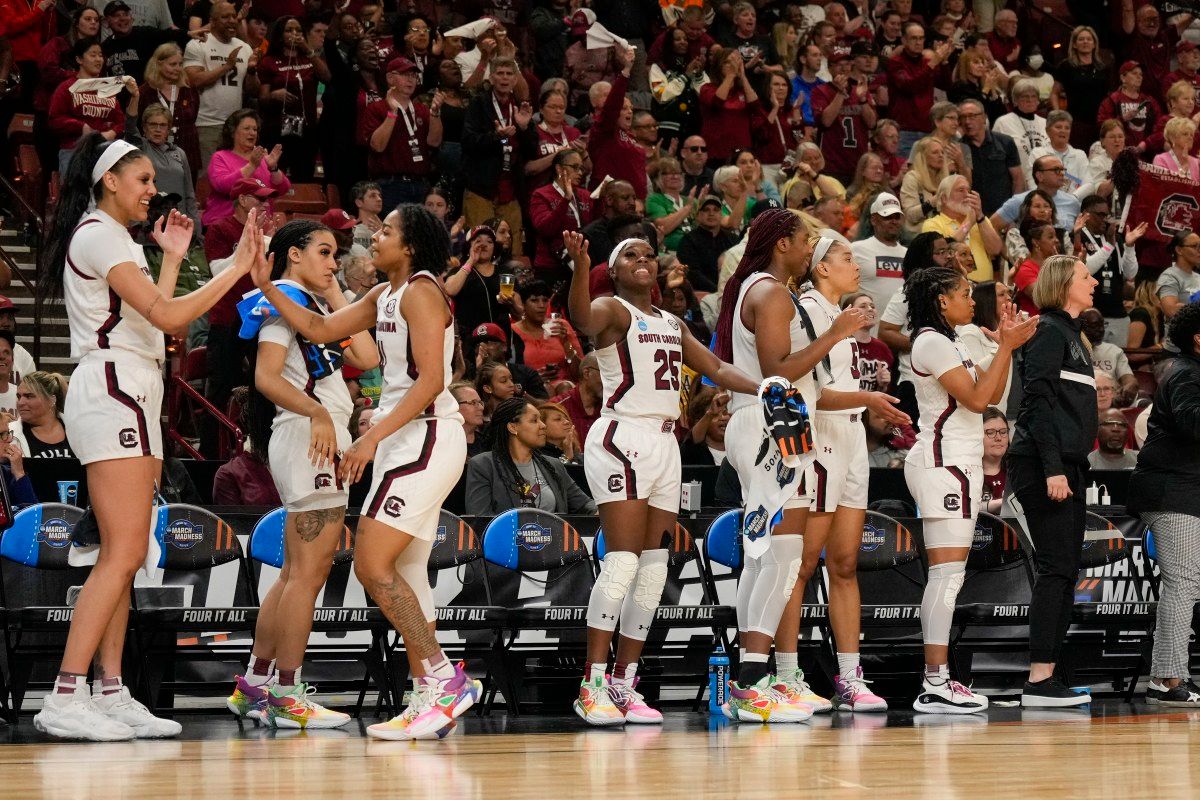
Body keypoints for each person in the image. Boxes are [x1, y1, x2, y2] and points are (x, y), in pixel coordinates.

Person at [33, 134, 264, 741]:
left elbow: (153, 316)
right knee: (122, 552)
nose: (150, 195)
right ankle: (65, 692)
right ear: (110, 180)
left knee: (126, 553)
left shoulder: (116, 239)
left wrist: (168, 256)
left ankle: (110, 690)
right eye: (141, 183)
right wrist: (236, 268)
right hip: (111, 388)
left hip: (129, 386)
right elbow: (167, 317)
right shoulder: (99, 234)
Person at [249, 203, 482, 741]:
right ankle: (428, 691)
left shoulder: (423, 291)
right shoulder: (385, 294)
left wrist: (369, 437)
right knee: (409, 571)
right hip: (402, 438)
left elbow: (430, 382)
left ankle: (445, 682)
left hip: (423, 435)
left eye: (387, 231)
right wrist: (268, 286)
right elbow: (319, 326)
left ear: (412, 246)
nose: (374, 236)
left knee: (373, 566)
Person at [564, 230, 763, 726]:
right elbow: (581, 317)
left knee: (654, 569)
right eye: (630, 254)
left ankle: (625, 681)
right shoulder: (610, 307)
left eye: (649, 254)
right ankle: (591, 683)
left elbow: (716, 366)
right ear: (612, 270)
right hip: (622, 436)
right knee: (623, 563)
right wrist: (578, 265)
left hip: (664, 441)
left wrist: (765, 386)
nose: (643, 260)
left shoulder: (671, 321)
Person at [226, 221, 379, 728]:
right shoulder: (282, 301)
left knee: (294, 574)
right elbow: (266, 378)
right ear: (293, 255)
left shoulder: (310, 302)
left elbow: (366, 356)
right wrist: (316, 413)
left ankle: (255, 684)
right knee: (309, 576)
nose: (334, 263)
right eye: (324, 253)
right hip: (309, 434)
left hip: (311, 433)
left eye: (336, 255)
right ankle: (288, 693)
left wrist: (334, 290)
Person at [789, 235, 913, 713]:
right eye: (844, 257)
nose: (854, 264)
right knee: (801, 566)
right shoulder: (806, 311)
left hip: (853, 440)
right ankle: (786, 674)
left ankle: (848, 675)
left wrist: (869, 403)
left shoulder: (849, 319)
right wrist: (869, 399)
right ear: (821, 268)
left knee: (843, 564)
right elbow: (813, 394)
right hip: (818, 438)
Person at [903, 265, 1034, 714]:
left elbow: (991, 393)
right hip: (943, 464)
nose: (972, 300)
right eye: (963, 293)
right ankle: (935, 681)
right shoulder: (932, 341)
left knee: (950, 575)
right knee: (947, 574)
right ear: (942, 299)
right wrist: (1007, 347)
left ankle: (938, 679)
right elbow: (977, 400)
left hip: (958, 463)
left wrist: (1004, 349)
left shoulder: (951, 341)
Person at [1007, 254, 1099, 708]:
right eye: (1086, 276)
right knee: (1055, 569)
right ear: (1065, 284)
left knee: (1065, 571)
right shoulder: (1048, 330)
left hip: (1068, 465)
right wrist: (1052, 468)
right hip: (1046, 465)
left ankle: (1048, 675)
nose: (1095, 281)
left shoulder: (1072, 333)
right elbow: (1035, 406)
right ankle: (1039, 679)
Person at [1126, 301, 1200, 706]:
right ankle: (1168, 679)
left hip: (1185, 489)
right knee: (1184, 581)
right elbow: (1193, 424)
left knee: (1189, 582)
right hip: (1173, 490)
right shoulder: (1185, 374)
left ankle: (1169, 674)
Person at [464, 396, 596, 515]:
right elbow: (480, 516)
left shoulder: (553, 465)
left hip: (553, 538)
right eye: (534, 420)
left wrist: (606, 510)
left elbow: (584, 504)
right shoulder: (483, 465)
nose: (543, 425)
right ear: (513, 427)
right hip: (506, 540)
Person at [461, 56, 536, 257]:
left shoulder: (521, 106)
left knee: (514, 252)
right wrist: (497, 137)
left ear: (514, 79)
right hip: (481, 189)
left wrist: (524, 128)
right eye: (500, 73)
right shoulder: (479, 104)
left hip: (511, 190)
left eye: (509, 74)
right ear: (491, 77)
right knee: (480, 249)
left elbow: (532, 150)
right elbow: (468, 142)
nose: (504, 78)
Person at [359, 56, 443, 210]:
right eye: (405, 75)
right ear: (390, 78)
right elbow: (377, 146)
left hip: (420, 183)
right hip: (390, 184)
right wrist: (392, 113)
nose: (410, 80)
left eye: (413, 75)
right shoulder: (376, 108)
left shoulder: (422, 109)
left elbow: (434, 142)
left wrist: (435, 114)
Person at [256, 16, 329, 182]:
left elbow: (326, 77)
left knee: (304, 177)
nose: (294, 34)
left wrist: (307, 48)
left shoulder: (309, 58)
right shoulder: (269, 61)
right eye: (289, 30)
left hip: (307, 129)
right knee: (275, 176)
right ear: (280, 35)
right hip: (277, 129)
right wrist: (275, 95)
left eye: (298, 30)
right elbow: (262, 98)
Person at [183, 1, 257, 164]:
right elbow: (193, 80)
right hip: (206, 123)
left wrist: (252, 70)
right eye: (225, 17)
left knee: (235, 178)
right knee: (207, 180)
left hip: (236, 126)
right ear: (213, 20)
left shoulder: (244, 48)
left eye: (233, 16)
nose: (232, 20)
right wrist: (227, 66)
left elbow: (253, 90)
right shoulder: (198, 44)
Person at [48, 39, 133, 175]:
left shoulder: (107, 90)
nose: (98, 59)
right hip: (74, 151)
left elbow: (121, 122)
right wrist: (80, 126)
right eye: (93, 55)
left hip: (104, 151)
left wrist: (111, 133)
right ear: (79, 59)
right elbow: (54, 120)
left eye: (100, 55)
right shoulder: (66, 88)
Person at [201, 109, 290, 226]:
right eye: (246, 128)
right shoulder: (220, 157)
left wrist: (273, 168)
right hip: (225, 226)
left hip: (260, 227)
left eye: (255, 129)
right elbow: (223, 186)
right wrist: (252, 166)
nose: (252, 133)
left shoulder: (261, 158)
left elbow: (283, 189)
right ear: (233, 132)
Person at [125, 103, 199, 231]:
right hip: (147, 224)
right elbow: (130, 125)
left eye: (163, 125)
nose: (158, 129)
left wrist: (196, 228)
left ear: (168, 129)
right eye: (153, 124)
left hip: (177, 223)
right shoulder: (139, 148)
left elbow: (189, 194)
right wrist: (135, 98)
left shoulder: (179, 153)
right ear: (144, 127)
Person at [886, 23, 953, 157]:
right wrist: (933, 62)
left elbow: (946, 85)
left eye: (921, 38)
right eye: (914, 38)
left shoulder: (926, 62)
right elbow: (909, 86)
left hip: (927, 130)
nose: (918, 42)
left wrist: (944, 62)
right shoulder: (896, 63)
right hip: (905, 131)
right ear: (904, 40)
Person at [529, 149, 593, 285]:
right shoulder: (541, 194)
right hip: (550, 266)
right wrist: (566, 199)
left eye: (581, 168)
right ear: (559, 168)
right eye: (575, 167)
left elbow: (592, 228)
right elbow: (546, 229)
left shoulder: (585, 195)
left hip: (578, 262)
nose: (580, 172)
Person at [138, 42, 200, 182]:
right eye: (172, 64)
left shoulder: (189, 88)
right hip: (155, 156)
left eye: (180, 64)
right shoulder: (145, 92)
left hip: (188, 153)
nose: (178, 69)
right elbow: (137, 124)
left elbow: (194, 115)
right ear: (158, 63)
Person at [811, 50, 876, 184]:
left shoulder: (859, 89)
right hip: (832, 164)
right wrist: (841, 92)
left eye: (847, 64)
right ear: (829, 68)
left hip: (858, 164)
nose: (844, 68)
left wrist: (863, 98)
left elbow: (872, 123)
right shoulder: (820, 91)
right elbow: (826, 122)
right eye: (839, 64)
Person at [921, 174, 1002, 282]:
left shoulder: (980, 219)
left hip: (985, 291)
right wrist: (968, 223)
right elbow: (944, 253)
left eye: (968, 191)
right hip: (954, 289)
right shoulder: (932, 224)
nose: (967, 195)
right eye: (961, 190)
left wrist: (980, 218)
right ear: (944, 198)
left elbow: (996, 249)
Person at [510, 279, 583, 385]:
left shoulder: (561, 326)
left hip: (565, 386)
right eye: (534, 300)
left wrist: (566, 344)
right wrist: (533, 378)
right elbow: (508, 372)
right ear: (523, 304)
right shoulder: (513, 332)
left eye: (545, 300)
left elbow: (580, 373)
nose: (541, 305)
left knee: (564, 386)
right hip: (530, 389)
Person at [958, 98, 1024, 216]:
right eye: (963, 117)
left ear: (984, 118)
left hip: (1003, 213)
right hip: (972, 214)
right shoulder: (959, 147)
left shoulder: (1005, 142)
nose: (967, 122)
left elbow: (1018, 179)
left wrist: (1013, 213)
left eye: (972, 116)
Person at [850, 192, 907, 318]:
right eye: (887, 217)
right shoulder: (856, 249)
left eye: (897, 217)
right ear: (874, 220)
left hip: (899, 332)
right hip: (866, 331)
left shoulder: (909, 254)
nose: (893, 221)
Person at [1055, 26, 1109, 150]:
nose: (1085, 42)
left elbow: (1108, 96)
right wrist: (1058, 114)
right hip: (1076, 122)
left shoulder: (1102, 68)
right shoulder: (1066, 66)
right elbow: (1054, 93)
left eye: (1089, 39)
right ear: (1074, 44)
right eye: (1081, 39)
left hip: (1100, 122)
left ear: (1094, 44)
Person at [675, 197, 739, 293]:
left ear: (721, 214)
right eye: (706, 210)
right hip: (703, 293)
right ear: (697, 215)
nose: (711, 213)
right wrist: (718, 291)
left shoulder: (732, 239)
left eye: (716, 210)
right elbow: (693, 274)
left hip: (733, 291)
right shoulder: (688, 241)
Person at [1096, 61, 1160, 151]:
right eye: (1134, 73)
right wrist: (1123, 118)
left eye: (1141, 74)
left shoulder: (1149, 102)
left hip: (1145, 153)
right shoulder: (1112, 100)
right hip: (1118, 152)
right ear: (1123, 78)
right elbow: (1102, 126)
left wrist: (1146, 144)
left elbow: (1159, 128)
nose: (1139, 77)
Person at [1080, 309, 1137, 406]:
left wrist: (1130, 385)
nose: (1101, 329)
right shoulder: (1071, 351)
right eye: (1095, 326)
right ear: (1080, 327)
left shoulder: (1114, 351)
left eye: (1103, 324)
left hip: (1112, 402)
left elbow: (1129, 379)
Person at [900, 137, 951, 235]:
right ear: (923, 156)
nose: (940, 155)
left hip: (943, 233)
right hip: (918, 235)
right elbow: (910, 215)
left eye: (942, 152)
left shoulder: (946, 181)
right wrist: (931, 203)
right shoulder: (912, 178)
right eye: (935, 152)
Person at [843, 293, 893, 392]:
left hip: (869, 406)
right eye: (863, 306)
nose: (870, 309)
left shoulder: (882, 348)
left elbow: (883, 393)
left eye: (872, 306)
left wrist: (882, 385)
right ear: (849, 312)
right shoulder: (840, 345)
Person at [17, 371, 73, 458]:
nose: (20, 403)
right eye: (19, 397)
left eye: (29, 396)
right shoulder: (9, 434)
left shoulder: (77, 429)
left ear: (52, 400)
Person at [1013, 223, 1061, 316]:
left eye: (1056, 236)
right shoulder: (1025, 270)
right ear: (1036, 242)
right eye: (1051, 237)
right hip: (1038, 325)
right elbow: (1043, 299)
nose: (1057, 240)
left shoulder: (1053, 265)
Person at [553, 350, 601, 442]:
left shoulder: (614, 406)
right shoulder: (558, 407)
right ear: (587, 373)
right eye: (605, 374)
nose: (610, 381)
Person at [1157, 231, 1200, 322]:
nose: (1199, 250)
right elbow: (1171, 310)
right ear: (1179, 250)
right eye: (1194, 246)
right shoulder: (1170, 276)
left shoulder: (1197, 277)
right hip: (1181, 334)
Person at [981, 407, 1009, 513]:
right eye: (990, 432)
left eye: (1003, 432)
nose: (998, 438)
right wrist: (994, 505)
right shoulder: (965, 473)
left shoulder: (1017, 473)